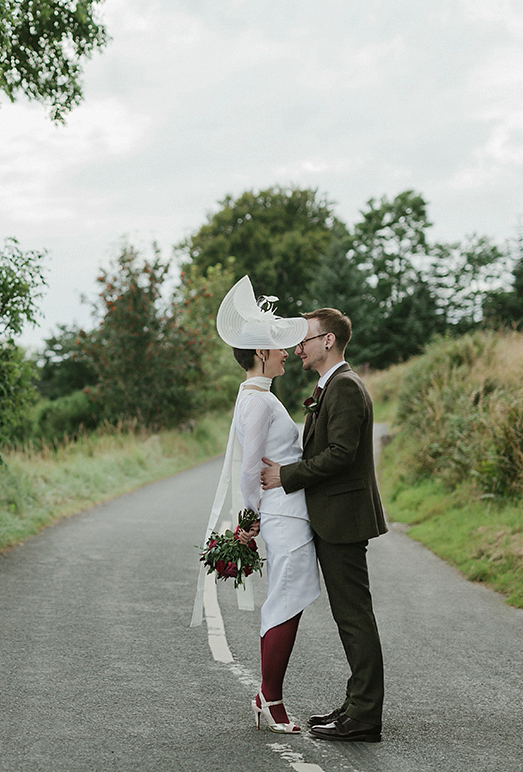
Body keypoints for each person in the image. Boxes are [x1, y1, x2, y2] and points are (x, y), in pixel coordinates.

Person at [193, 276, 321, 734]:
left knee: (289, 600)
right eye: (279, 346)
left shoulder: (259, 397)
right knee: (286, 602)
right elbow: (249, 470)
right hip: (284, 514)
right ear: (261, 353)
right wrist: (250, 520)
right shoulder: (258, 401)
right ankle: (270, 699)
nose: (287, 351)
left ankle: (268, 695)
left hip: (287, 511)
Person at [260, 307, 387, 743]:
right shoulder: (331, 385)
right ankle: (355, 704)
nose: (298, 348)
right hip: (335, 518)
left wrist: (286, 476)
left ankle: (365, 716)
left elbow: (341, 454)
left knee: (354, 618)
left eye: (306, 339)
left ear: (327, 341)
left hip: (344, 520)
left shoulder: (346, 387)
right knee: (348, 616)